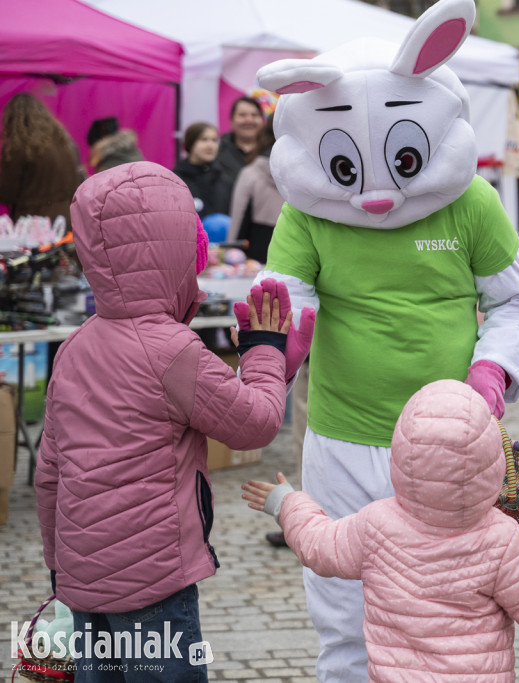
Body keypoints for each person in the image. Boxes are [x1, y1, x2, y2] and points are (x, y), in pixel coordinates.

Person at [250, 0, 519, 678]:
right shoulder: (309, 211)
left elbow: (513, 300)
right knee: (343, 610)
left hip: (453, 444)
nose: (377, 196)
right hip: (343, 436)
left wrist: (492, 371)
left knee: (451, 608)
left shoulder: (471, 202)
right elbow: (283, 297)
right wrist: (281, 348)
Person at [34, 161, 303, 682]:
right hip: (155, 584)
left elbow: (50, 470)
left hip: (82, 583)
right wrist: (265, 350)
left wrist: (57, 564)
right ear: (176, 252)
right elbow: (256, 424)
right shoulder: (172, 349)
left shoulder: (72, 348)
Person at [243, 379, 519, 681]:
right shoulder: (503, 539)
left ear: (401, 451)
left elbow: (318, 545)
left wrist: (286, 502)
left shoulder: (376, 523)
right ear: (494, 460)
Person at [0, 93, 82, 222]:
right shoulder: (65, 142)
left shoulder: (18, 147)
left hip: (33, 223)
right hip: (67, 217)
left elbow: (7, 194)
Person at [228, 113, 283, 263]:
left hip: (254, 254)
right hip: (294, 250)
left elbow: (238, 218)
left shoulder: (251, 172)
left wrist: (230, 253)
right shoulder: (307, 175)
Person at [172, 121, 233, 219]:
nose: (210, 145)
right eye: (204, 139)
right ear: (190, 143)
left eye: (214, 140)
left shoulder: (224, 180)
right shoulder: (175, 181)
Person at [215, 96, 264, 186]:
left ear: (262, 120)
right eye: (242, 115)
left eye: (254, 115)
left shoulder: (273, 152)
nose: (249, 120)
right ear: (232, 121)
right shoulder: (217, 154)